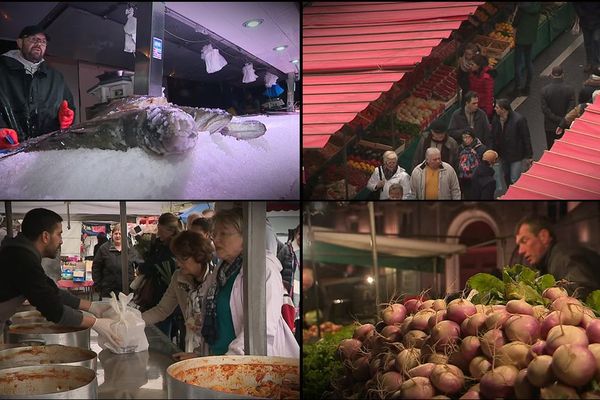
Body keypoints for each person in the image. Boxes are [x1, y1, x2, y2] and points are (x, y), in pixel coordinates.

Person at [0, 208, 121, 348]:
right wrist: (95, 323)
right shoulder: (22, 259)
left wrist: (92, 307)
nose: (61, 241)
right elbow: (52, 308)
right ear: (45, 236)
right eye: (59, 234)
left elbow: (51, 290)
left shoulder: (19, 253)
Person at [201, 208, 299, 357]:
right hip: (219, 359)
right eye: (215, 234)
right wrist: (200, 355)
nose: (216, 240)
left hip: (247, 362)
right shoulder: (221, 269)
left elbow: (263, 325)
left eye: (224, 233)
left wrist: (232, 359)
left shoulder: (263, 267)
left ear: (246, 235)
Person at [142, 231, 215, 360]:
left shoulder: (215, 278)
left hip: (214, 352)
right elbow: (161, 310)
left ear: (199, 255)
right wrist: (131, 321)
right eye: (177, 259)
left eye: (183, 259)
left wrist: (203, 354)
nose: (179, 264)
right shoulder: (178, 277)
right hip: (190, 346)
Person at [0, 25, 75, 144]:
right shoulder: (2, 70)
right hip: (9, 148)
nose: (39, 44)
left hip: (45, 149)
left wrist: (67, 119)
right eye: (33, 39)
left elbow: (69, 107)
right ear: (19, 43)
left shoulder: (56, 77)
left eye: (43, 41)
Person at [515, 216, 600, 299]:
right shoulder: (547, 262)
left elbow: (583, 287)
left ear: (543, 236)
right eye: (519, 245)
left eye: (524, 241)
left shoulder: (564, 257)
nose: (520, 251)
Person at [133, 213, 182, 338]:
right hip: (161, 297)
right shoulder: (160, 244)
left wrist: (142, 267)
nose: (158, 231)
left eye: (160, 228)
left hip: (162, 294)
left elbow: (152, 265)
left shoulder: (170, 248)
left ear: (169, 230)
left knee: (162, 333)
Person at [490, 98, 533, 187]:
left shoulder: (519, 120)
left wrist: (529, 156)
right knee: (506, 177)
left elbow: (526, 137)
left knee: (514, 179)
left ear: (503, 109)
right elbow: (493, 137)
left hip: (516, 155)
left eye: (497, 107)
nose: (495, 109)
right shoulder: (496, 120)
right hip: (503, 155)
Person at [92, 224, 140, 300]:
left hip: (126, 290)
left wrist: (136, 283)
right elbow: (96, 267)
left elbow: (140, 265)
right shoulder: (104, 248)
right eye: (116, 233)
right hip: (108, 290)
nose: (118, 236)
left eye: (120, 234)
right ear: (112, 234)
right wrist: (98, 284)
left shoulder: (131, 249)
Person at [540, 66, 575, 150]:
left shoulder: (544, 90)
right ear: (563, 74)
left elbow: (545, 110)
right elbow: (572, 108)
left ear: (551, 75)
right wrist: (563, 120)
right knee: (566, 149)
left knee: (552, 148)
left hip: (550, 126)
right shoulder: (570, 89)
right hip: (565, 124)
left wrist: (556, 118)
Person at [277, 225, 301, 344]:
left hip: (300, 293)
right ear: (296, 234)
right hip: (288, 294)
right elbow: (277, 267)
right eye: (299, 234)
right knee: (289, 320)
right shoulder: (286, 249)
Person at [512, 2, 541, 97]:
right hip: (531, 36)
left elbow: (515, 23)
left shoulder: (521, 8)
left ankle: (518, 88)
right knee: (528, 62)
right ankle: (527, 86)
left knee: (518, 64)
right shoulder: (537, 5)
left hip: (520, 37)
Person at [457, 128, 487, 199]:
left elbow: (485, 163)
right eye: (464, 137)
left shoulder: (481, 148)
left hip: (477, 177)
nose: (465, 139)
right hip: (464, 178)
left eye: (468, 137)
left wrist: (476, 155)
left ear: (473, 137)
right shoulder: (460, 148)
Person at [572, 4, 600, 73]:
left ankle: (596, 63)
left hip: (597, 20)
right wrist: (581, 14)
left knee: (596, 40)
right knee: (587, 42)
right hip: (585, 20)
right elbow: (576, 5)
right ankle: (589, 63)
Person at [468, 54, 495, 120]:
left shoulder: (486, 77)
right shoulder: (472, 74)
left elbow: (489, 94)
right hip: (475, 104)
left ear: (478, 66)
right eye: (470, 64)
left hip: (483, 107)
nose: (470, 66)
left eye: (472, 64)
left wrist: (488, 111)